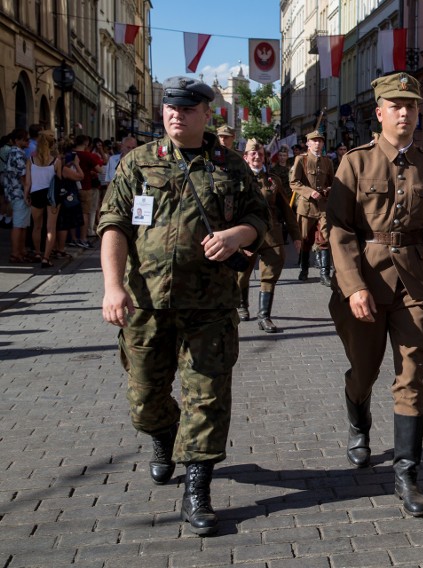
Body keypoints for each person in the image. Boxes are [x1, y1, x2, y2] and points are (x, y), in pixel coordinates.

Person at [98, 76, 268, 535]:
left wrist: (239, 234)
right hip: (147, 305)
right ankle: (162, 436)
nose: (176, 114)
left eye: (187, 108)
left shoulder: (231, 167)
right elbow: (114, 224)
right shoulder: (138, 164)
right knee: (144, 399)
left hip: (210, 306)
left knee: (208, 398)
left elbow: (261, 218)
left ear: (206, 113)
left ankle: (198, 489)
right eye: (170, 108)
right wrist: (114, 286)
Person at [326, 72, 423, 517]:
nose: (404, 112)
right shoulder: (355, 163)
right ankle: (358, 418)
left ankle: (406, 474)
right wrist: (353, 286)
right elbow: (339, 230)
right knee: (364, 370)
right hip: (366, 280)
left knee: (411, 375)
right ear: (378, 113)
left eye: (411, 106)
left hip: (416, 285)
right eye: (395, 105)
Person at [236, 139, 301, 331]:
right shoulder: (237, 179)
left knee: (271, 271)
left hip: (271, 234)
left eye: (261, 154)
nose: (257, 157)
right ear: (245, 157)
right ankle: (242, 305)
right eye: (253, 154)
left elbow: (286, 208)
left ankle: (264, 316)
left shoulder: (273, 180)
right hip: (245, 233)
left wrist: (296, 235)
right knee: (241, 273)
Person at [290, 130, 334, 284]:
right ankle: (304, 269)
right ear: (307, 143)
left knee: (325, 238)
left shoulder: (327, 162)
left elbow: (331, 183)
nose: (317, 143)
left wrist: (328, 190)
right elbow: (294, 182)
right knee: (305, 239)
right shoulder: (300, 160)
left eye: (320, 141)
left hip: (323, 206)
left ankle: (324, 274)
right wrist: (309, 192)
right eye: (314, 141)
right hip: (306, 206)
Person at [26, 130, 62, 268]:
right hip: (52, 195)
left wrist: (26, 195)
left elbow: (28, 182)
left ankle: (37, 252)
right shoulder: (56, 161)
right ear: (52, 145)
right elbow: (59, 180)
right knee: (50, 228)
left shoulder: (31, 160)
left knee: (37, 226)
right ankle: (46, 258)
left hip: (36, 194)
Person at [3, 128, 32, 262]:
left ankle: (21, 251)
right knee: (19, 224)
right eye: (25, 139)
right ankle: (16, 253)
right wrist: (27, 192)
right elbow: (23, 175)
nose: (28, 141)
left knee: (22, 224)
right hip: (19, 193)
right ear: (17, 140)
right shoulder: (18, 154)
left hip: (14, 192)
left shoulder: (12, 152)